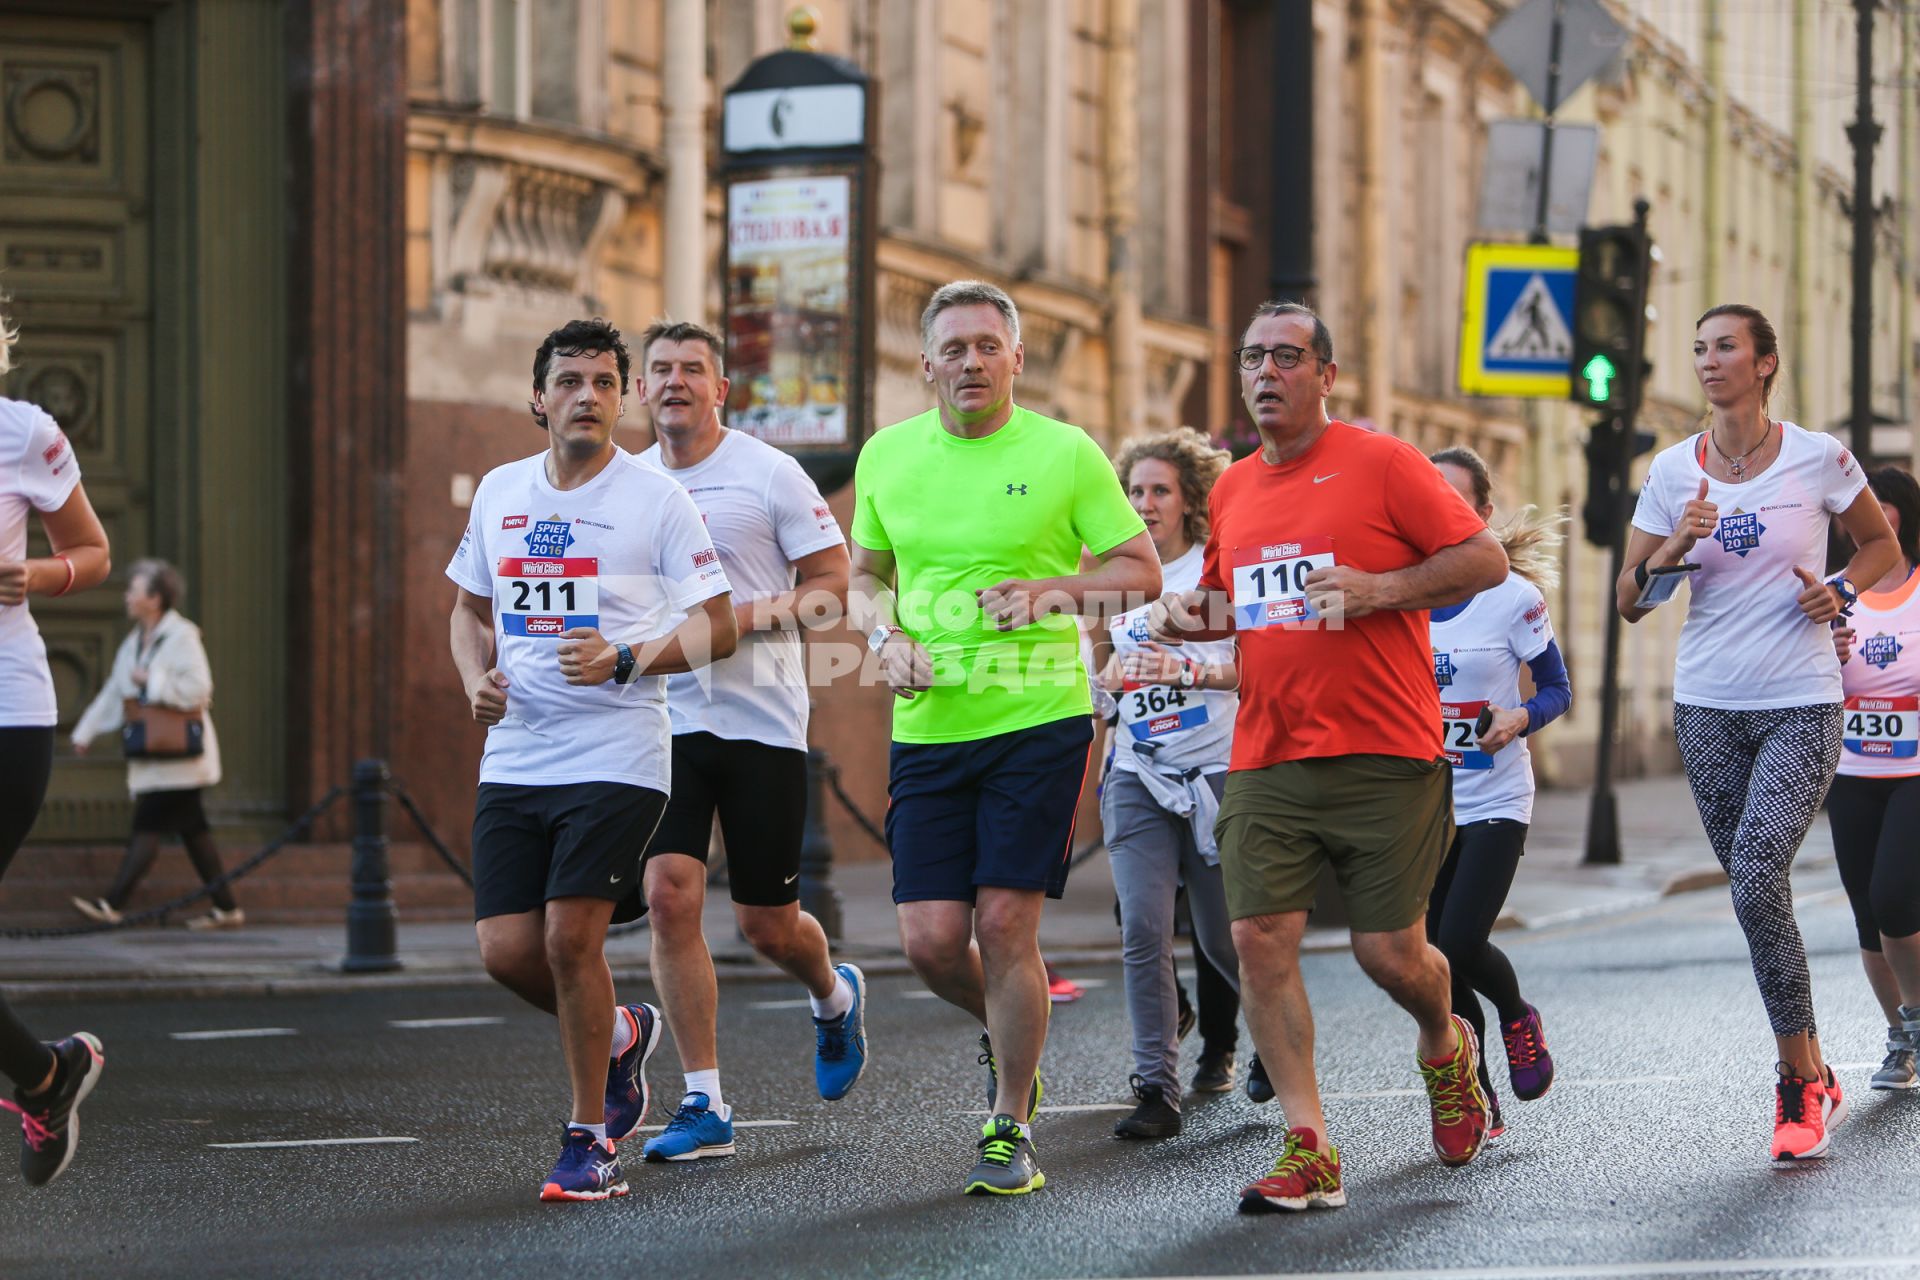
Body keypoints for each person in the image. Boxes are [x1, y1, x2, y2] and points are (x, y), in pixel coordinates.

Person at [1148, 301, 1508, 1214]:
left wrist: (1381, 588)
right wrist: (1177, 617)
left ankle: (1446, 1042)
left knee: (1393, 955)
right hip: (1268, 751)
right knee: (1256, 937)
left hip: (1386, 749)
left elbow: (1485, 558)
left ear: (1326, 375)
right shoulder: (1232, 488)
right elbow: (1237, 603)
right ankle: (1309, 1146)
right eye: (1253, 358)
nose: (1266, 372)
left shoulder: (1383, 461)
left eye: (1287, 357)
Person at [848, 280, 1160, 1195]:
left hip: (1039, 720)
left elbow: (1138, 570)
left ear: (1016, 358)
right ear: (926, 364)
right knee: (931, 943)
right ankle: (1008, 1022)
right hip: (930, 728)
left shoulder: (1065, 453)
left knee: (1002, 922)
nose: (972, 362)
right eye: (954, 348)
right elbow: (864, 575)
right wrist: (884, 637)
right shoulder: (888, 456)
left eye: (989, 345)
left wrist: (1053, 593)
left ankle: (1010, 1121)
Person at [446, 317, 737, 1201]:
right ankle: (619, 1035)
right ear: (539, 396)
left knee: (571, 938)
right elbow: (467, 611)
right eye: (570, 381)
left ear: (625, 397)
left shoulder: (655, 499)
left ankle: (588, 1139)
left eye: (606, 383)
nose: (588, 396)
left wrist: (626, 657)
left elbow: (717, 622)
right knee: (506, 950)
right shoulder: (500, 490)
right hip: (518, 751)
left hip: (618, 752)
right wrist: (474, 681)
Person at [1617, 303, 1898, 1161]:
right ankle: (1814, 1068)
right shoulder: (1672, 472)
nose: (1708, 361)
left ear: (1765, 362)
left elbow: (1880, 546)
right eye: (1699, 349)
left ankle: (1793, 1083)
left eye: (1726, 347)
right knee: (1756, 895)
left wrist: (1840, 593)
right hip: (1706, 706)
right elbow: (1629, 599)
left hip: (1802, 701)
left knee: (1752, 875)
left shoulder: (1820, 458)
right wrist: (1672, 551)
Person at [629, 319, 867, 1163]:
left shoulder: (767, 472)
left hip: (763, 716)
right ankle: (705, 1103)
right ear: (640, 388)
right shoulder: (624, 485)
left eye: (693, 370)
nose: (675, 383)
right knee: (669, 897)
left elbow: (832, 586)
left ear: (720, 389)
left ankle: (835, 997)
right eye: (660, 370)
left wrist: (749, 619)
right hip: (664, 719)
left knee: (769, 925)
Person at [1090, 427, 1239, 1140]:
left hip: (1216, 770)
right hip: (1136, 772)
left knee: (1224, 939)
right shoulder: (1115, 581)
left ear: (1189, 501)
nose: (1144, 504)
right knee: (1143, 929)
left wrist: (1188, 668)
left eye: (1158, 491)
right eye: (1134, 491)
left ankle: (1267, 1045)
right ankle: (1157, 1087)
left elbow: (1253, 668)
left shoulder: (1213, 574)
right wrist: (1101, 690)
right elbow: (1098, 679)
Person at [1426, 447, 1573, 1140]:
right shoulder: (1399, 592)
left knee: (1458, 940)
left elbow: (1556, 689)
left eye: (1456, 499)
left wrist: (1519, 717)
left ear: (1481, 514)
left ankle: (1515, 1013)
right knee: (1431, 958)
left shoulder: (1513, 596)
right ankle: (1477, 1094)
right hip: (1423, 804)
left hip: (1494, 798)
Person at [0, 301, 112, 1185]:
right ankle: (46, 1075)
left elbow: (92, 550)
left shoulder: (23, 433)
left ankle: (46, 1076)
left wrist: (33, 573)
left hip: (10, 713)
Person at [70, 559, 240, 930]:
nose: (127, 595)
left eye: (135, 589)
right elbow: (115, 693)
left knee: (148, 826)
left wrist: (153, 680)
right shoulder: (133, 643)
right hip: (156, 753)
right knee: (195, 834)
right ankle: (227, 909)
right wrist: (85, 733)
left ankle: (112, 904)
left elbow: (199, 689)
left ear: (155, 597)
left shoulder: (183, 636)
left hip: (179, 754)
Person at [1825, 465, 1920, 1090]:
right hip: (1850, 770)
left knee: (1893, 899)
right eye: (1864, 506)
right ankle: (1899, 1040)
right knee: (1866, 916)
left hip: (1916, 770)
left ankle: (1917, 1023)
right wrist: (1820, 656)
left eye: (1885, 505)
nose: (1875, 515)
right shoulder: (1830, 590)